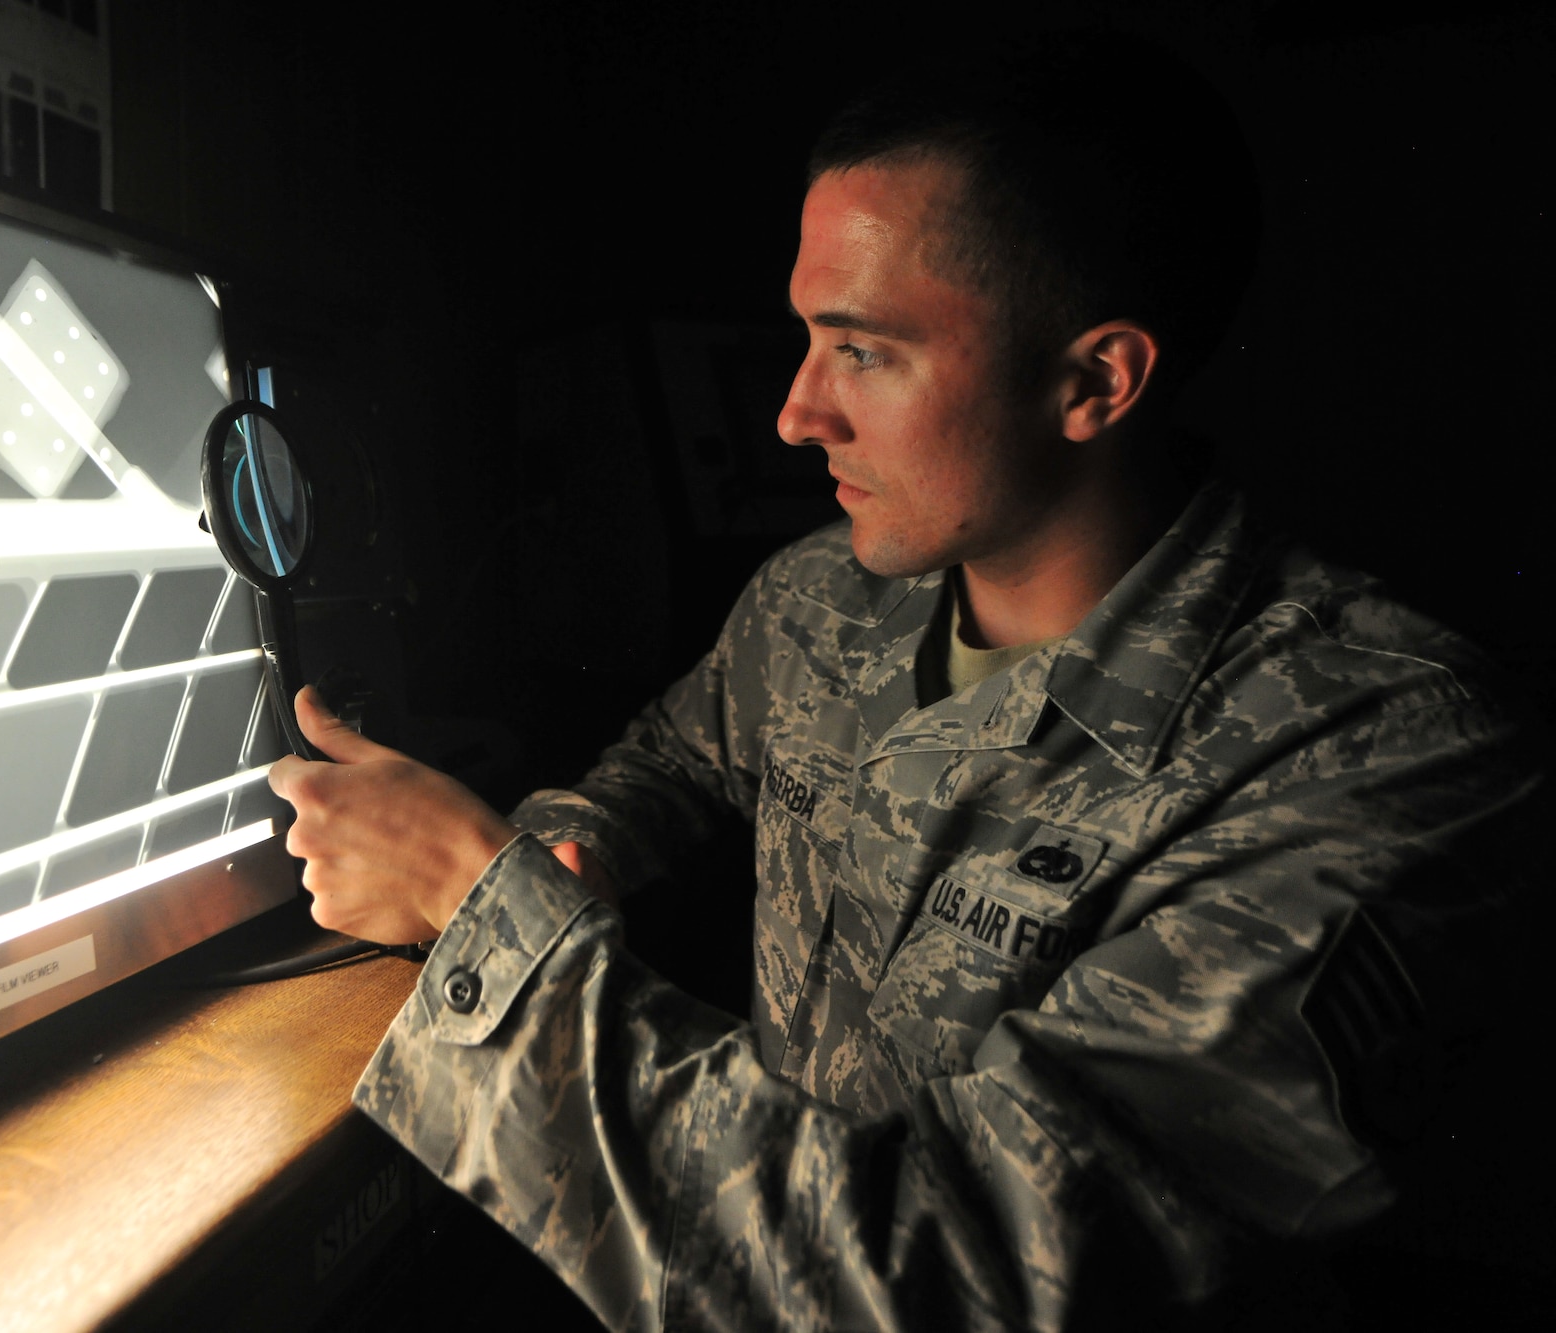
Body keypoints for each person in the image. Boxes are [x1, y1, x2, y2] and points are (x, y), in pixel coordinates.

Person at [266, 33, 1534, 1332]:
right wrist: (579, 838)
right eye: (807, 339)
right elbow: (679, 758)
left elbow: (953, 1272)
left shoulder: (1380, 758)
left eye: (863, 350)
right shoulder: (821, 597)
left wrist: (489, 920)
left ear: (1095, 380)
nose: (796, 412)